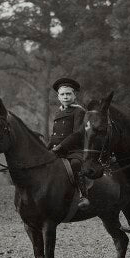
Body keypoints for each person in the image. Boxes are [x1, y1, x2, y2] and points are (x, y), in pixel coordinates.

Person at [49, 77, 90, 209]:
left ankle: (83, 195)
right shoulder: (58, 112)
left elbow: (77, 134)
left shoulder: (79, 111)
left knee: (75, 164)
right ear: (58, 97)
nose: (65, 97)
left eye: (68, 94)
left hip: (74, 150)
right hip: (57, 150)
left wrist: (61, 146)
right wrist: (47, 148)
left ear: (74, 95)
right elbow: (54, 135)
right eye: (62, 94)